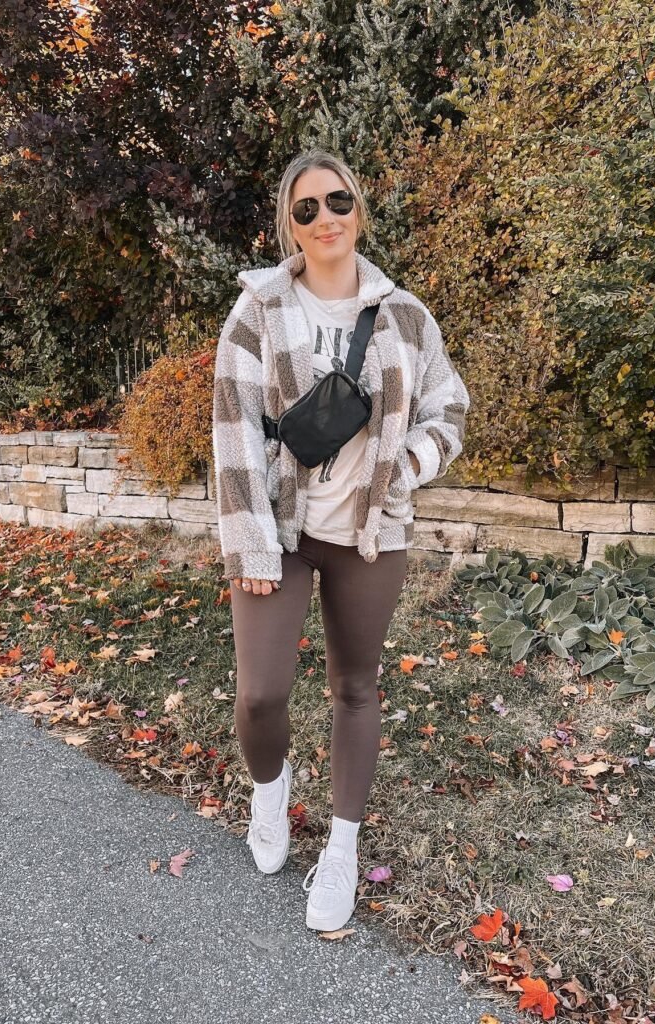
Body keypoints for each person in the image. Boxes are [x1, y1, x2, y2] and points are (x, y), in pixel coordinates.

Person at [211, 148, 470, 933]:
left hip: (370, 535)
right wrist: (251, 544)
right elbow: (234, 435)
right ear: (288, 224)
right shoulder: (257, 311)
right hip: (281, 532)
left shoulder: (405, 315)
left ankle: (343, 849)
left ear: (359, 208)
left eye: (337, 201)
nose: (325, 218)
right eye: (306, 208)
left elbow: (447, 409)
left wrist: (406, 473)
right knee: (259, 695)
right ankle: (270, 791)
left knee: (355, 688)